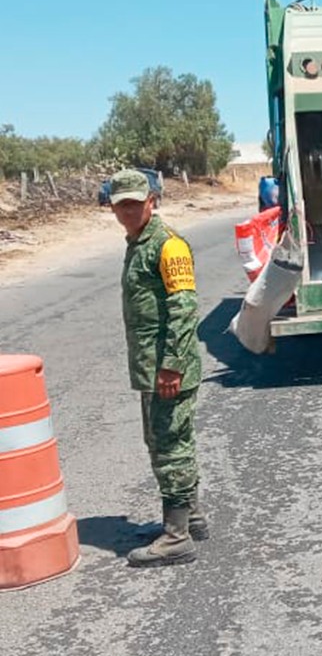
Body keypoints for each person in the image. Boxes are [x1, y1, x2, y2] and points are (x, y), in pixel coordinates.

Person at [110, 169, 205, 568]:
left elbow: (184, 310)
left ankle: (176, 536)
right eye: (121, 205)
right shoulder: (138, 243)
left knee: (169, 447)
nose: (128, 211)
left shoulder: (168, 246)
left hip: (169, 369)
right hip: (153, 368)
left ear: (152, 201)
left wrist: (171, 365)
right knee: (166, 441)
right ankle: (192, 517)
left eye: (135, 203)